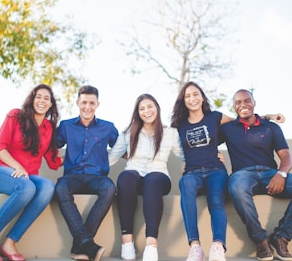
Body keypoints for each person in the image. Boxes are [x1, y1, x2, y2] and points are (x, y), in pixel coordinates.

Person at [170, 81, 283, 261]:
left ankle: (218, 246)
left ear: (202, 97)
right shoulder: (179, 124)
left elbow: (244, 119)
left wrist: (268, 116)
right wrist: (184, 161)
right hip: (192, 172)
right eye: (188, 96)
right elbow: (172, 146)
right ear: (183, 101)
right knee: (186, 185)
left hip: (216, 170)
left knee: (216, 199)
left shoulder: (216, 117)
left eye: (196, 94)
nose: (192, 99)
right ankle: (195, 247)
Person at [108, 93, 184, 261]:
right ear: (137, 113)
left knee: (153, 179)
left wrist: (209, 157)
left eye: (150, 106)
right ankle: (127, 240)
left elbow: (185, 155)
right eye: (142, 108)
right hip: (134, 176)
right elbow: (111, 158)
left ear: (157, 107)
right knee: (125, 177)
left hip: (159, 177)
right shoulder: (128, 133)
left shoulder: (170, 133)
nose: (146, 111)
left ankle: (151, 244)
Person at [219, 89, 292, 261]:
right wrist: (214, 155)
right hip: (242, 175)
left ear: (254, 102)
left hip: (271, 174)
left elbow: (286, 156)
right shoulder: (228, 129)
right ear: (234, 107)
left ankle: (281, 237)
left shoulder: (271, 127)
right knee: (236, 187)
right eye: (238, 103)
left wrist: (281, 174)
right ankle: (260, 240)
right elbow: (210, 122)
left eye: (247, 101)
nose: (243, 105)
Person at [0, 84, 63, 261]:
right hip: (3, 168)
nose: (42, 100)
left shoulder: (49, 128)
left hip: (28, 175)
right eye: (38, 96)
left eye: (46, 98)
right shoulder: (15, 115)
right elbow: (0, 148)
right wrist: (17, 166)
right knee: (26, 188)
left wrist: (82, 158)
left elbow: (53, 161)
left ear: (50, 104)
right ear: (32, 99)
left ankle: (9, 242)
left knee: (47, 187)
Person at [55, 85, 119, 261]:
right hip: (72, 176)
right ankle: (87, 243)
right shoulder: (66, 126)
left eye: (92, 102)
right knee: (60, 187)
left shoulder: (108, 127)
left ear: (98, 104)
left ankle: (81, 243)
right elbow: (50, 145)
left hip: (97, 177)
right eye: (84, 102)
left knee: (109, 188)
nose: (87, 107)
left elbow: (124, 147)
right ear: (77, 103)